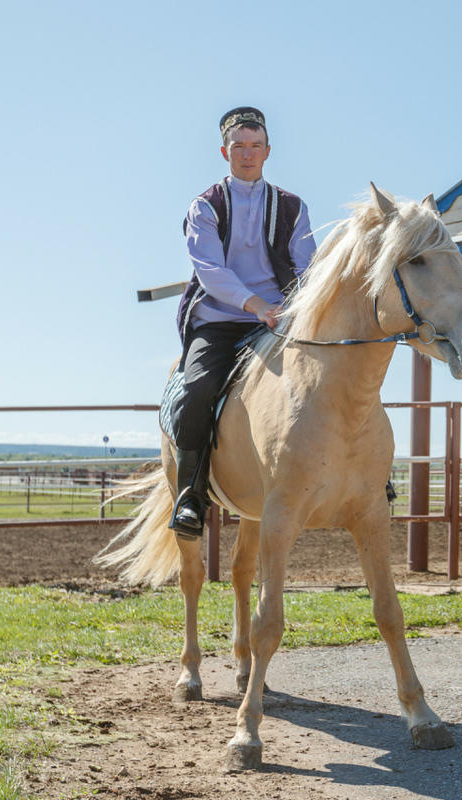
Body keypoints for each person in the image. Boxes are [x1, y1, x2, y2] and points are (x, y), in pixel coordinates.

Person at [168, 106, 316, 537]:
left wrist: (295, 308)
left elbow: (307, 267)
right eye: (238, 147)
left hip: (277, 320)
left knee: (331, 369)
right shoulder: (205, 206)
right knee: (196, 392)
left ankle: (366, 471)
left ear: (268, 151)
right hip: (219, 320)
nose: (247, 154)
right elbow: (210, 272)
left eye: (255, 147)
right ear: (224, 151)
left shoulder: (293, 206)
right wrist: (255, 305)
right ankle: (191, 496)